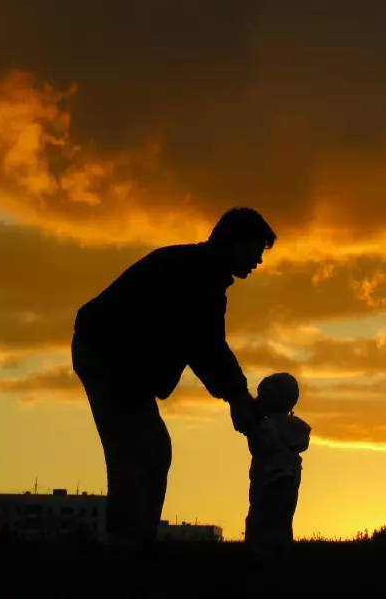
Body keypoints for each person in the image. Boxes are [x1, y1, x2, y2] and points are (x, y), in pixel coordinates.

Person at [71, 207, 276, 552]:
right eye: (256, 248)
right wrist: (238, 397)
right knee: (135, 452)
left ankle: (136, 538)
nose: (259, 259)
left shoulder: (201, 272)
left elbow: (205, 346)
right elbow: (206, 346)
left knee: (150, 450)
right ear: (235, 242)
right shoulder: (198, 275)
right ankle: (126, 542)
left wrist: (235, 396)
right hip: (107, 356)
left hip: (122, 363)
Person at [244, 373, 311, 563]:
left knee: (261, 518)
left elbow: (259, 447)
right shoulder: (295, 426)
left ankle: (260, 555)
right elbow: (301, 443)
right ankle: (281, 550)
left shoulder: (267, 426)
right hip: (290, 479)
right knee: (283, 519)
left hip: (268, 479)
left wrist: (251, 430)